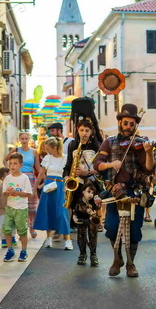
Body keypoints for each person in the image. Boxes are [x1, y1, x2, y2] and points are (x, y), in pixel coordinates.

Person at [94, 103, 155, 278]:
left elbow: (149, 169)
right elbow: (97, 164)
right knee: (112, 227)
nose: (128, 127)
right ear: (120, 122)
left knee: (134, 230)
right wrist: (110, 164)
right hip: (114, 192)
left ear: (135, 125)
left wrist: (149, 153)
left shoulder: (141, 143)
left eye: (131, 124)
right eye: (125, 123)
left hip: (135, 192)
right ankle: (117, 258)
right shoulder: (109, 141)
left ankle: (130, 263)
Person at [63, 97, 104, 237]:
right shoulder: (72, 145)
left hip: (91, 182)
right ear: (77, 130)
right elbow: (68, 165)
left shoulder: (96, 145)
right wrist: (67, 177)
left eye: (87, 130)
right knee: (80, 218)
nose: (84, 133)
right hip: (77, 183)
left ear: (91, 131)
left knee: (91, 215)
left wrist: (87, 171)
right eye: (81, 130)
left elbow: (101, 167)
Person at [34, 137, 72, 250]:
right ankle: (48, 237)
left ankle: (68, 240)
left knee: (62, 213)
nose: (46, 151)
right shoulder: (47, 158)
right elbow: (41, 174)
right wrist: (35, 187)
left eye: (48, 148)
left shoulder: (66, 158)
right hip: (49, 186)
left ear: (55, 147)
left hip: (61, 186)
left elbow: (69, 174)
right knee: (48, 211)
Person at [4, 132, 41, 238]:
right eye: (22, 138)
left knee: (32, 206)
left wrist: (41, 180)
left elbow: (38, 168)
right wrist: (9, 171)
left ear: (29, 139)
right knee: (19, 203)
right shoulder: (15, 150)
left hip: (30, 178)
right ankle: (21, 229)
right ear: (19, 139)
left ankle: (32, 227)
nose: (24, 140)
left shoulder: (34, 152)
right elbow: (5, 160)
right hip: (17, 178)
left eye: (26, 138)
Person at [2, 153, 33, 262]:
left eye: (15, 163)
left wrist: (15, 192)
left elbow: (28, 193)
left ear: (21, 165)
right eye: (10, 164)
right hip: (10, 208)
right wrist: (8, 192)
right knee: (6, 229)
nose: (12, 166)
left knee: (22, 230)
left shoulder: (24, 178)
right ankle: (10, 250)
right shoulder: (7, 178)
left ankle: (24, 251)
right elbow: (4, 194)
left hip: (21, 208)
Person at [73, 182, 100, 266]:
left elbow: (97, 210)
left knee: (92, 237)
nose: (91, 194)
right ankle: (82, 254)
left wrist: (94, 211)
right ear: (83, 192)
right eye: (89, 191)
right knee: (81, 238)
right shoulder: (79, 202)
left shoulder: (92, 202)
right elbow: (76, 211)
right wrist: (75, 217)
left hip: (91, 222)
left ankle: (93, 254)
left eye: (92, 192)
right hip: (81, 221)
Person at [0, 167, 18, 248]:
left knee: (13, 225)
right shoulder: (0, 188)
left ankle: (13, 237)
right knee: (2, 226)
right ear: (2, 178)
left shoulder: (13, 186)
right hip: (2, 210)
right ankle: (3, 239)